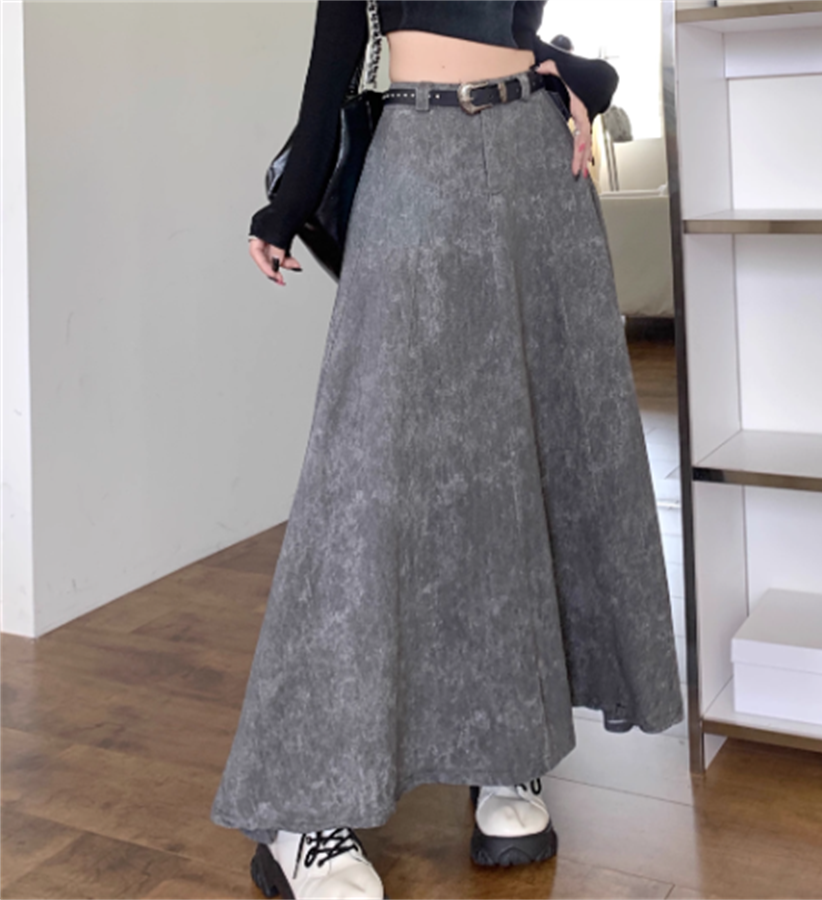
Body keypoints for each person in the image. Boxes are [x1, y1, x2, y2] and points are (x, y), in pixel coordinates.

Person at [211, 2, 684, 898]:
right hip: (417, 157)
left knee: (523, 461)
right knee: (364, 485)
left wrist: (578, 78)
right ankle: (302, 807)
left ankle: (508, 747)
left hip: (537, 169)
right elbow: (336, 55)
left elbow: (513, 28)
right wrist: (287, 202)